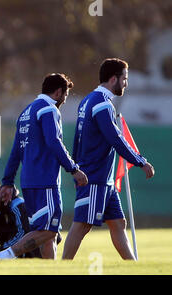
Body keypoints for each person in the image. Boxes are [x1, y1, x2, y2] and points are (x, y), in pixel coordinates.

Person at [62, 58, 155, 260]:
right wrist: (140, 160)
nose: (126, 83)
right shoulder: (102, 104)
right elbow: (115, 138)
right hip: (96, 176)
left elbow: (78, 140)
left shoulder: (87, 101)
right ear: (113, 79)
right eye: (124, 79)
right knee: (82, 225)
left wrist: (76, 167)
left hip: (105, 179)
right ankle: (62, 268)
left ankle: (132, 268)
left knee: (118, 223)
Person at [0, 73, 88, 259]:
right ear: (59, 92)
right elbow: (54, 141)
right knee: (50, 231)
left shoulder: (26, 112)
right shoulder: (48, 109)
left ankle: (49, 271)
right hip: (45, 181)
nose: (64, 101)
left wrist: (7, 182)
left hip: (28, 183)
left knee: (47, 238)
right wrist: (73, 169)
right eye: (65, 96)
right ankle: (4, 256)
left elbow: (16, 151)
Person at [0, 176, 60, 259]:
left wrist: (0, 250)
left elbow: (24, 233)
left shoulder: (16, 205)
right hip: (12, 252)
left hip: (35, 247)